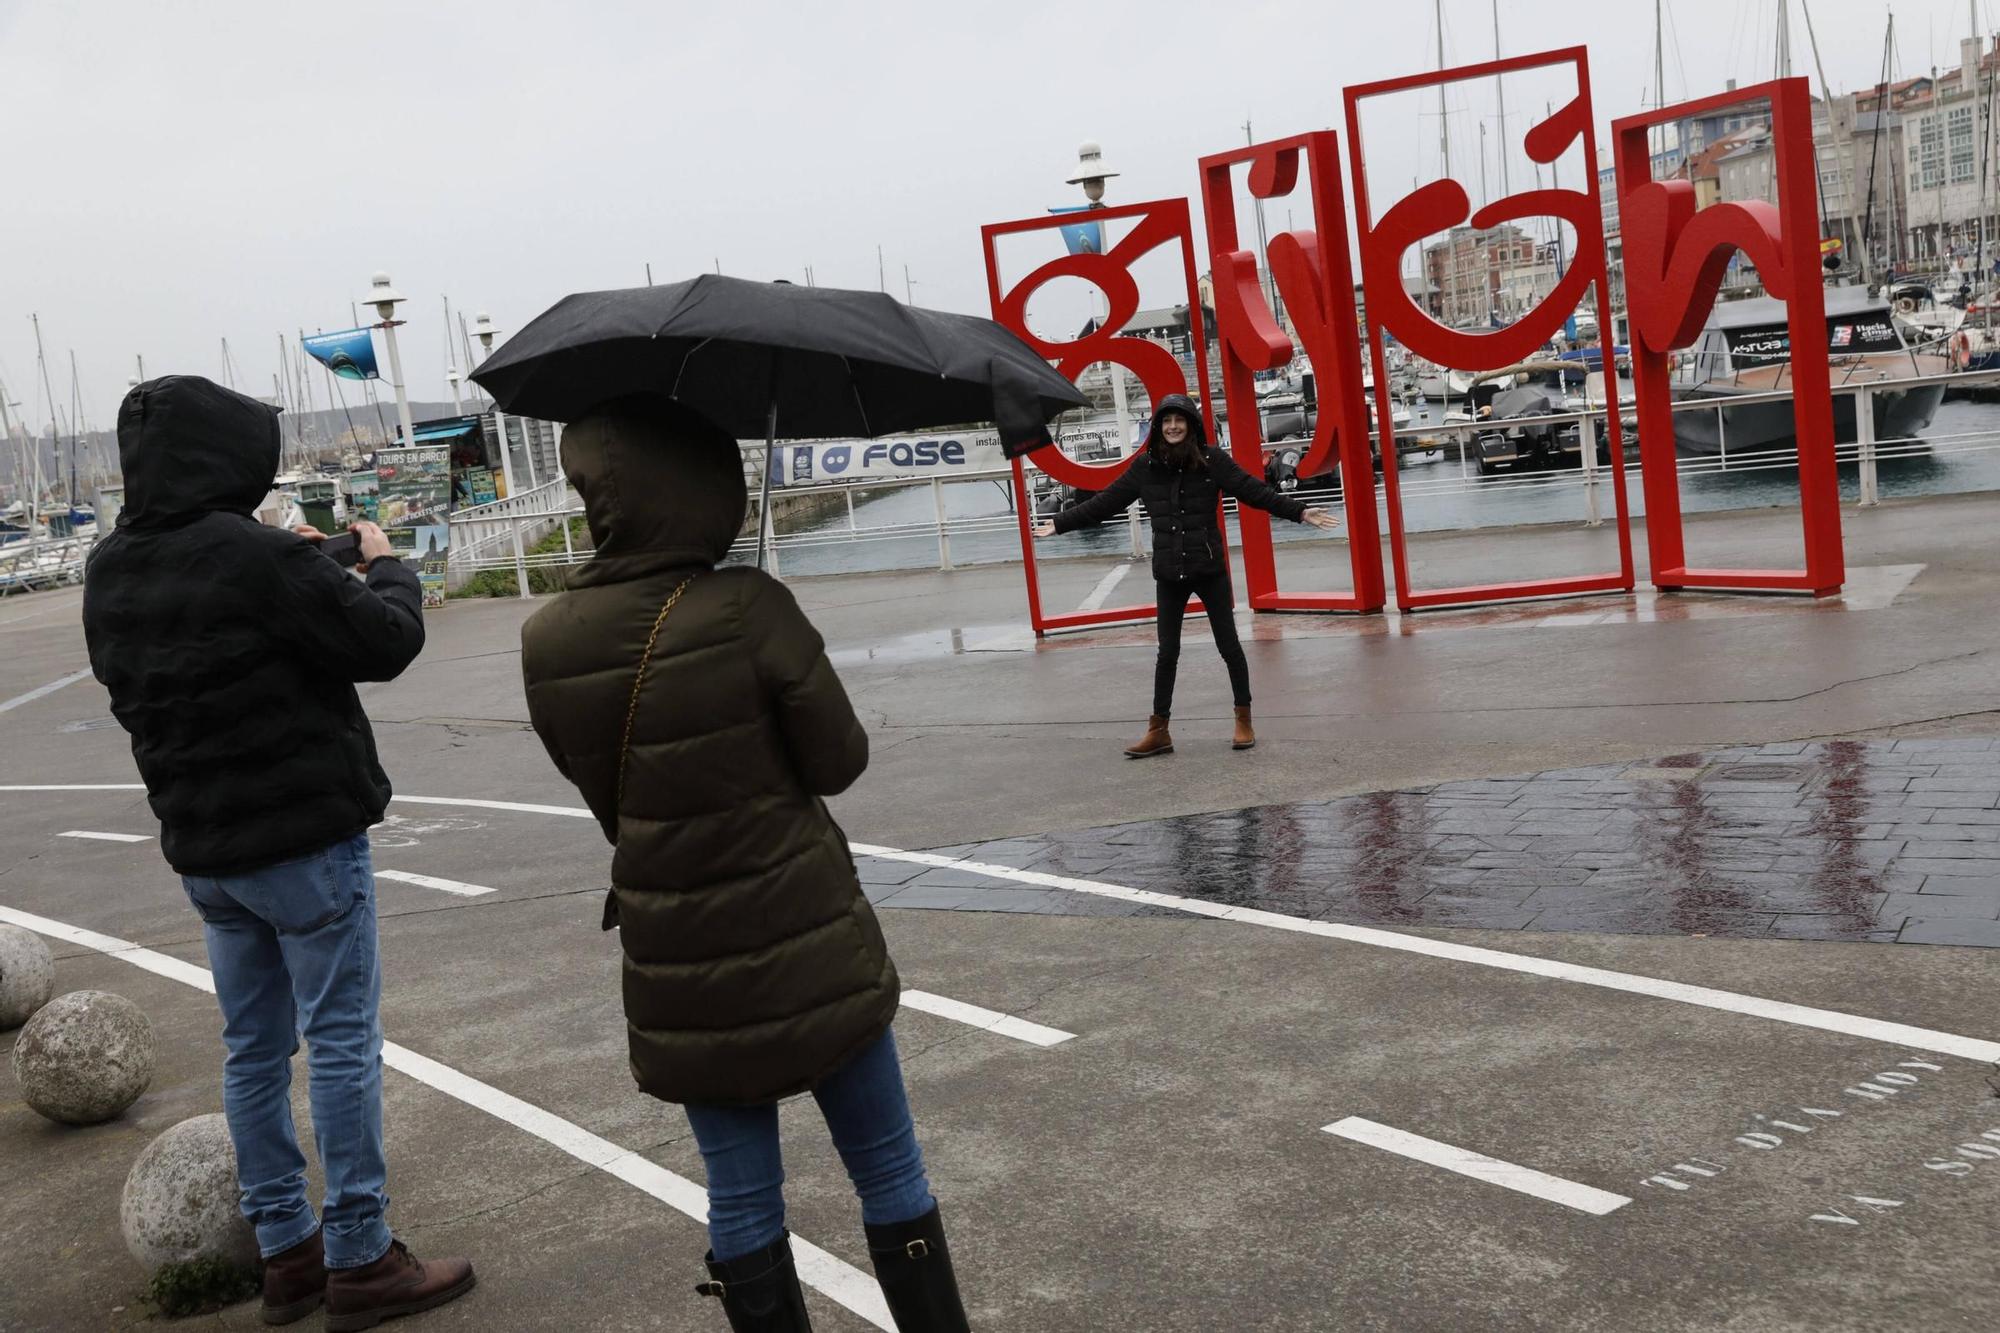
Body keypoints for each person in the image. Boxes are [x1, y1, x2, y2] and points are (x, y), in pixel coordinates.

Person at [518, 395, 968, 1333]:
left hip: (679, 960)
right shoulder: (749, 604)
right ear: (708, 484)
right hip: (811, 940)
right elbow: (839, 761)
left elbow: (611, 802)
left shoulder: (547, 639)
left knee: (743, 1201)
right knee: (888, 1171)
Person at [82, 376, 474, 1330]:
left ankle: (286, 1250)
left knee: (253, 1051)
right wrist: (381, 565)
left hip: (208, 853)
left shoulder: (109, 567)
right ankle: (362, 1255)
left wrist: (291, 566)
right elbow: (384, 642)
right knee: (341, 1042)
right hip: (305, 844)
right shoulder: (256, 557)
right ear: (228, 457)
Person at [1033, 394, 1340, 756]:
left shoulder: (1212, 461)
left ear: (1192, 425)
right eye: (1166, 421)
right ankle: (1159, 730)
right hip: (1169, 574)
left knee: (1229, 647)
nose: (1173, 426)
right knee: (1168, 653)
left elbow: (1253, 491)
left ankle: (1244, 719)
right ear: (1158, 428)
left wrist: (1300, 512)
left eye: (1180, 420)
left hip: (1208, 569)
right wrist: (1060, 523)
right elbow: (1106, 503)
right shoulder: (1144, 467)